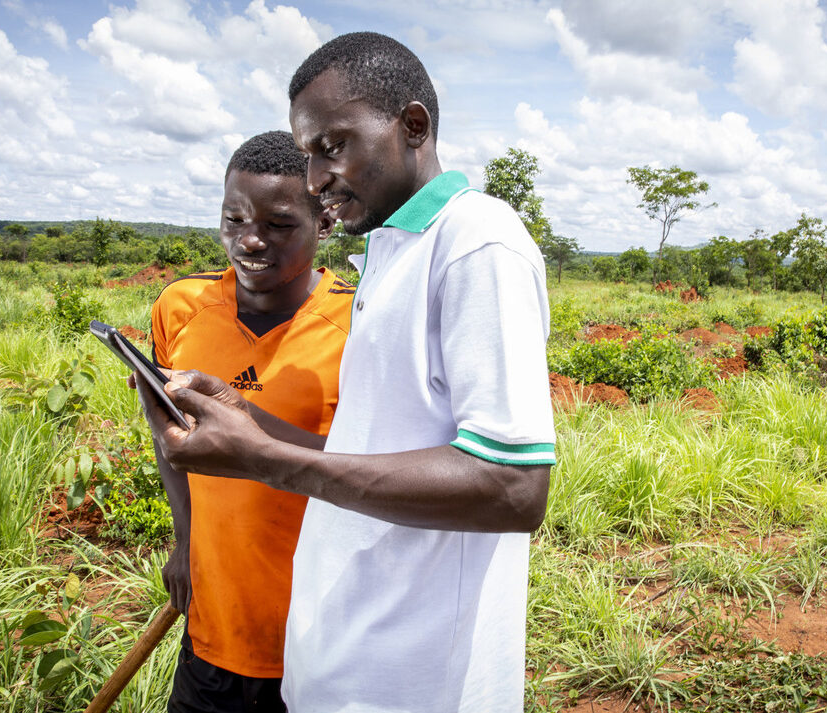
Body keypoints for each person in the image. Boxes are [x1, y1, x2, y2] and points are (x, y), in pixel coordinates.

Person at [138, 32, 555, 712]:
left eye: (332, 146)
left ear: (412, 126)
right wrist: (247, 424)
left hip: (411, 688)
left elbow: (513, 487)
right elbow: (372, 456)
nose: (313, 179)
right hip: (338, 673)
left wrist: (269, 463)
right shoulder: (389, 256)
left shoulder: (476, 242)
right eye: (307, 155)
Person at [149, 130, 351, 713]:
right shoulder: (181, 309)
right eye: (233, 219)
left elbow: (374, 474)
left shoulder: (359, 328)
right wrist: (185, 541)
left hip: (318, 640)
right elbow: (168, 432)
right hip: (213, 625)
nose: (250, 241)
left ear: (326, 222)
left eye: (279, 225)